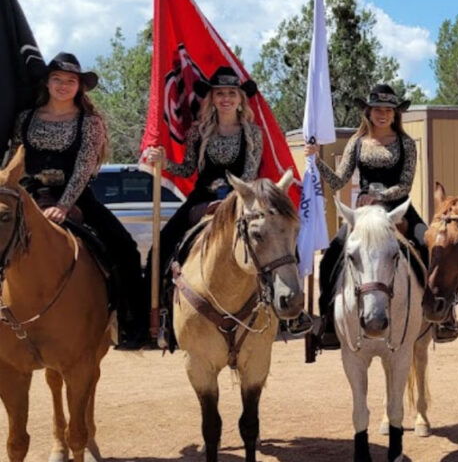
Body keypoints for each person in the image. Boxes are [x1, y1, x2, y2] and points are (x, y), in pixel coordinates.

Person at [143, 67, 312, 335]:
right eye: (219, 93)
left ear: (240, 99)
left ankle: (291, 308)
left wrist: (233, 200)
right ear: (211, 98)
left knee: (280, 239)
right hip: (202, 198)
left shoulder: (252, 132)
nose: (226, 98)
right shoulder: (198, 131)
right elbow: (188, 169)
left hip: (243, 198)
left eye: (231, 93)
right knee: (159, 248)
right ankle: (154, 315)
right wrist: (163, 163)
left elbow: (249, 171)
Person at [11, 52, 148, 348]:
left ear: (79, 87)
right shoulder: (25, 118)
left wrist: (63, 205)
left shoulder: (90, 122)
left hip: (76, 196)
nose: (63, 85)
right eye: (58, 79)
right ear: (47, 83)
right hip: (31, 194)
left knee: (126, 249)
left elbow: (84, 167)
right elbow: (15, 160)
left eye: (70, 81)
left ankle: (131, 325)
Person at [305, 84, 457, 348]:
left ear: (396, 113)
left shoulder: (406, 143)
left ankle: (443, 316)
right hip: (364, 214)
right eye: (378, 109)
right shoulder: (356, 142)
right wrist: (316, 161)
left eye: (388, 110)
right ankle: (329, 322)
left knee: (430, 244)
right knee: (332, 256)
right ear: (368, 112)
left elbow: (406, 184)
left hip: (399, 209)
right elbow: (339, 181)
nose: (383, 114)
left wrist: (381, 196)